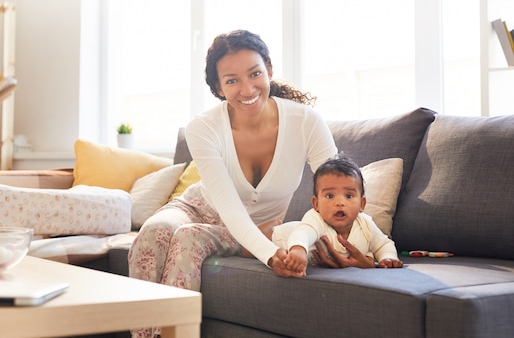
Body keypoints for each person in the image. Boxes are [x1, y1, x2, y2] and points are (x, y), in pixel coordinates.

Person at [127, 29, 337, 338]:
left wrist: (361, 245)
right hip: (197, 207)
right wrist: (269, 254)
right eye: (232, 80)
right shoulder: (203, 127)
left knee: (188, 238)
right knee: (155, 231)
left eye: (254, 74)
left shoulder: (307, 123)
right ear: (218, 87)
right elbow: (228, 205)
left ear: (269, 69)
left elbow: (339, 190)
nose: (247, 88)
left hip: (246, 227)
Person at [272, 154, 404, 277]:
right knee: (257, 243)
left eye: (349, 196)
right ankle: (272, 225)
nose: (340, 203)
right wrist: (298, 250)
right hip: (282, 237)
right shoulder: (315, 219)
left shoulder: (366, 225)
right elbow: (303, 233)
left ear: (362, 204)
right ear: (316, 204)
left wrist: (388, 258)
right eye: (330, 196)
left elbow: (383, 244)